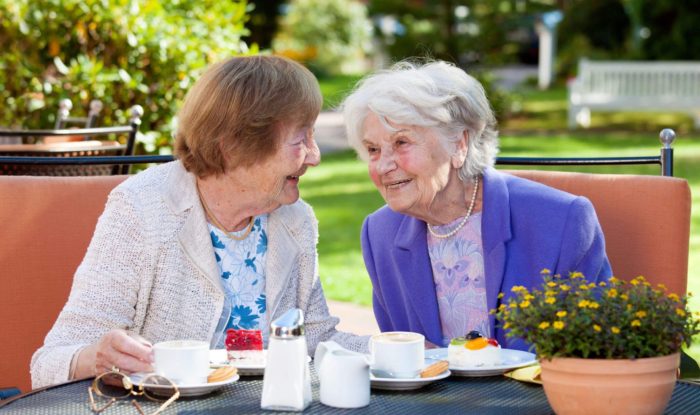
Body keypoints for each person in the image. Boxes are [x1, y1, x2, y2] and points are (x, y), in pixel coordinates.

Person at [31, 55, 368, 389]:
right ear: (234, 147)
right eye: (300, 140)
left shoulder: (294, 219)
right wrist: (98, 357)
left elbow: (318, 339)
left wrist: (414, 355)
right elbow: (50, 362)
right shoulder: (141, 210)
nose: (316, 156)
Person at [341, 60, 612, 351]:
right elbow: (402, 355)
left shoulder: (562, 221)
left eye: (402, 142)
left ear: (459, 145)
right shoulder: (380, 234)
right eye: (373, 149)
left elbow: (594, 349)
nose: (383, 165)